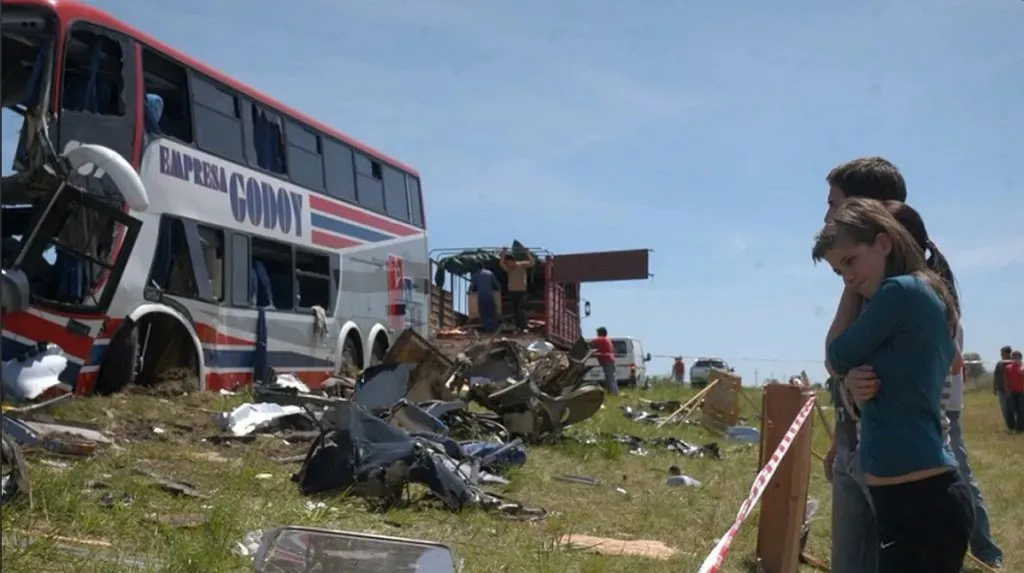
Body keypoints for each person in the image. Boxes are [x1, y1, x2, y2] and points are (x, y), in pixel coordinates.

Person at [816, 198, 974, 573]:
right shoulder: (914, 297)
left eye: (850, 261)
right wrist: (854, 384)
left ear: (884, 243)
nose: (848, 278)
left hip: (921, 498)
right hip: (907, 497)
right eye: (839, 272)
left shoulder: (899, 292)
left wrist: (848, 365)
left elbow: (836, 355)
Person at [873, 201, 1003, 567]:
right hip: (930, 408)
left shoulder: (920, 295)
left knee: (958, 477)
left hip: (937, 408)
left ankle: (986, 549)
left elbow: (951, 361)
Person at [821, 156, 907, 573]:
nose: (826, 214)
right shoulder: (861, 279)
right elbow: (839, 363)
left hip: (896, 455)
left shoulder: (911, 280)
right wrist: (840, 437)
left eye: (834, 203)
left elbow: (838, 355)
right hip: (855, 444)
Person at [499, 248, 535, 332]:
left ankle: (524, 327)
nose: (508, 264)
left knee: (520, 309)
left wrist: (527, 252)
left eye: (508, 262)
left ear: (512, 261)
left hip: (521, 291)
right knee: (515, 311)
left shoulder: (522, 265)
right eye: (507, 263)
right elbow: (501, 263)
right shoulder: (509, 269)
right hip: (512, 291)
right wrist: (504, 253)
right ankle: (517, 327)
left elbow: (532, 262)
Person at [469, 266, 501, 333]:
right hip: (490, 296)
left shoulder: (476, 275)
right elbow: (496, 283)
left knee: (484, 314)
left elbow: (472, 285)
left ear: (477, 268)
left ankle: (488, 329)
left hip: (481, 297)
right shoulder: (490, 273)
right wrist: (500, 290)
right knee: (492, 313)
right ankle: (494, 329)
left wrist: (469, 291)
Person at [592, 327, 618, 396]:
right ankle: (615, 393)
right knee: (612, 378)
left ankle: (611, 393)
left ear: (601, 333)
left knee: (609, 378)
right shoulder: (607, 339)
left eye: (598, 333)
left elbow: (592, 343)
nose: (597, 334)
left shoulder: (601, 339)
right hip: (610, 360)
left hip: (607, 360)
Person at [993, 346, 1014, 432]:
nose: (1001, 355)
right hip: (1001, 390)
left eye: (1003, 353)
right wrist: (994, 387)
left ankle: (1016, 425)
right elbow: (995, 376)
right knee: (1004, 408)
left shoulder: (1013, 363)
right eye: (1001, 353)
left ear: (1008, 353)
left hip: (1013, 390)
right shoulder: (999, 364)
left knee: (1013, 408)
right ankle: (1009, 426)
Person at [1006, 350, 1024, 433]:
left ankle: (1020, 428)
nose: (1016, 358)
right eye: (1014, 356)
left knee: (1020, 410)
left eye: (1017, 356)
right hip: (1011, 392)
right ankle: (1011, 427)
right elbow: (1006, 379)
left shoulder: (1023, 367)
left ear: (1020, 358)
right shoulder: (1008, 367)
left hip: (1021, 392)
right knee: (1010, 410)